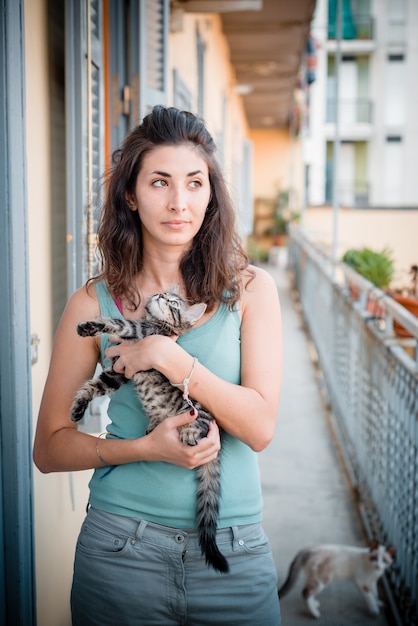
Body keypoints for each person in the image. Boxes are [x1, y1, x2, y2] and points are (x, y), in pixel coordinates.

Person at [33, 105, 282, 625]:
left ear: (211, 193)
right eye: (160, 182)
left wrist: (171, 359)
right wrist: (144, 449)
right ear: (131, 194)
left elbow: (259, 429)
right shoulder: (92, 304)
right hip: (120, 552)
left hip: (232, 555)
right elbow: (49, 448)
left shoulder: (251, 291)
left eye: (194, 183)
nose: (178, 202)